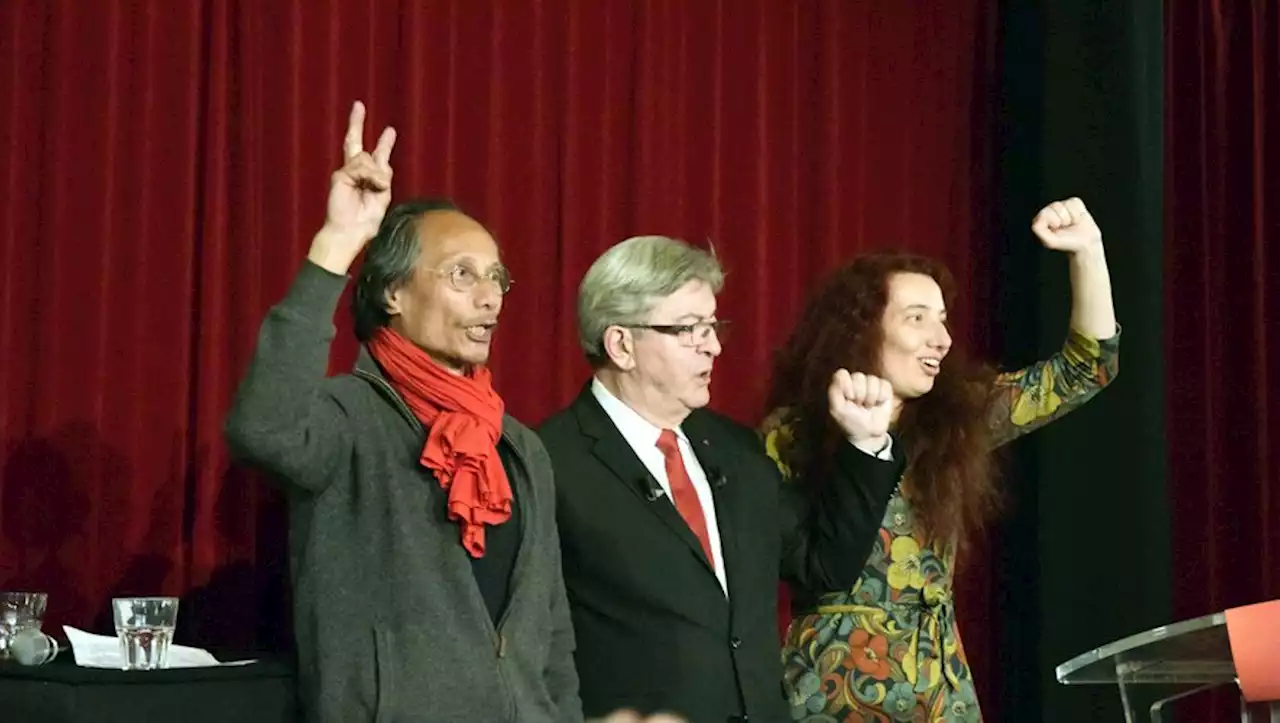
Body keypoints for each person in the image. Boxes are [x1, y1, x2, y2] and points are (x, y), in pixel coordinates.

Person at [223, 101, 582, 723]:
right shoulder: (346, 417)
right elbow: (263, 428)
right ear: (393, 292)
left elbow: (551, 636)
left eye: (497, 277)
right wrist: (338, 242)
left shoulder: (519, 447)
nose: (489, 297)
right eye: (461, 275)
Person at [760, 197, 1120, 721]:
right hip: (835, 688)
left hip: (940, 688)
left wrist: (1088, 250)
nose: (941, 339)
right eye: (916, 319)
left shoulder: (955, 418)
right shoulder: (793, 435)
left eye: (943, 320)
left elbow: (1087, 369)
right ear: (862, 330)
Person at [538, 235, 907, 723]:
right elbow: (531, 645)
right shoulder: (547, 462)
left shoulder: (736, 450)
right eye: (689, 329)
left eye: (712, 326)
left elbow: (822, 566)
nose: (712, 346)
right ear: (621, 344)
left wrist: (865, 446)